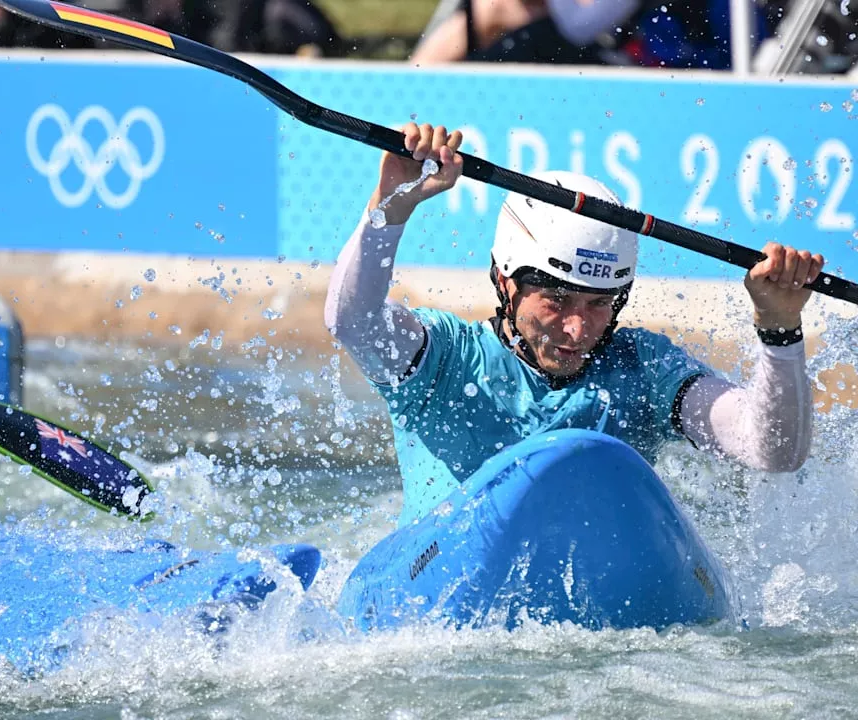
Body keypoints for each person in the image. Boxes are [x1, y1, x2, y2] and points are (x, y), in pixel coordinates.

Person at [325, 122, 822, 526]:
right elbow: (352, 321)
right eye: (557, 300)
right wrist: (393, 203)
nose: (578, 331)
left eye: (600, 304)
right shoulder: (445, 358)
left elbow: (771, 450)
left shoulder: (644, 367)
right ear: (504, 281)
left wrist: (779, 330)